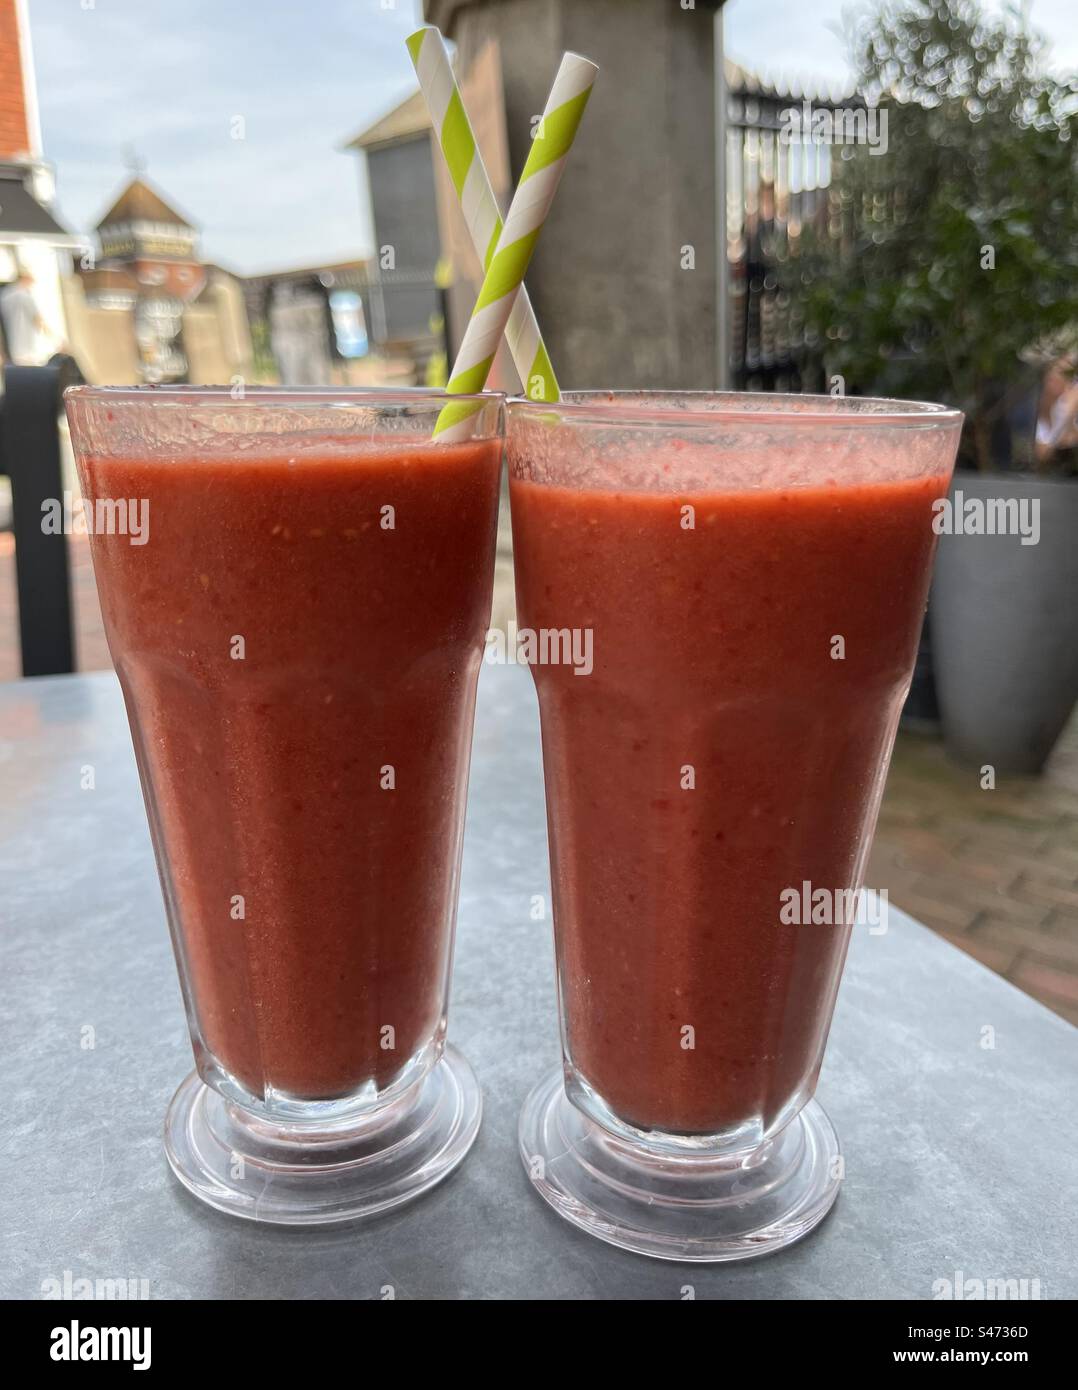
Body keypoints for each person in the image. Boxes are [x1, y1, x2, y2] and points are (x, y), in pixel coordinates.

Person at [1035, 353, 1078, 469]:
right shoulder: (1043, 405)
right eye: (1050, 379)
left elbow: (1070, 439)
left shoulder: (1070, 401)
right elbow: (1041, 453)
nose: (1051, 383)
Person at [0, 267, 47, 366]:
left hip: (11, 348)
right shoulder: (24, 295)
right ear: (25, 279)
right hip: (27, 347)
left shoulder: (4, 295)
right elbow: (38, 319)